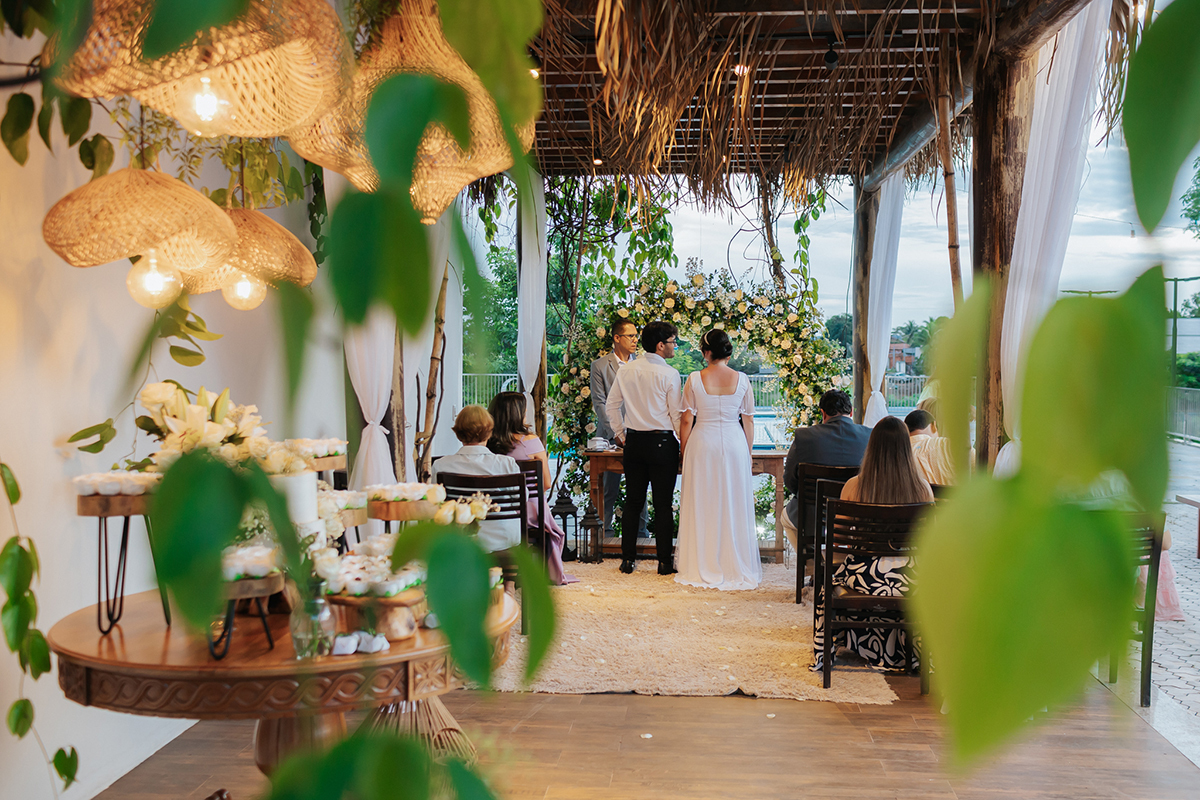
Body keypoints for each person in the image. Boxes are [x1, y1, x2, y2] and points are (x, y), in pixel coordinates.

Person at [812, 415, 934, 672]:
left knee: (829, 584)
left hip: (864, 577)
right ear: (906, 448)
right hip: (909, 578)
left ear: (872, 447)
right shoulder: (923, 489)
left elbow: (838, 543)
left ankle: (850, 644)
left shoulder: (853, 487)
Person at [675, 329, 762, 591]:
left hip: (703, 443)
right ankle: (733, 561)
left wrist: (684, 450)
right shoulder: (743, 379)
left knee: (703, 501)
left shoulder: (694, 378)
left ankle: (702, 560)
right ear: (728, 353)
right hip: (734, 443)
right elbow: (748, 420)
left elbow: (686, 419)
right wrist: (747, 452)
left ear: (706, 352)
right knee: (733, 500)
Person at [605, 320, 682, 575]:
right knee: (663, 504)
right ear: (660, 345)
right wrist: (684, 442)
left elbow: (611, 405)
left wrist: (620, 434)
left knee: (632, 502)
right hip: (662, 443)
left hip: (635, 442)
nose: (674, 346)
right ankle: (664, 562)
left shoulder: (627, 370)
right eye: (672, 342)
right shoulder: (670, 374)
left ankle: (627, 560)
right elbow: (675, 415)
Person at [486, 391, 576, 585]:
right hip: (527, 512)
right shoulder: (530, 441)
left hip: (494, 510)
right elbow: (546, 483)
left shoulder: (487, 444)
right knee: (538, 506)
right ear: (518, 414)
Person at [781, 389, 871, 548]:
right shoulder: (870, 436)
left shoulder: (804, 437)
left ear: (823, 413)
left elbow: (790, 480)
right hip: (857, 515)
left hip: (813, 515)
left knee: (785, 518)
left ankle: (811, 560)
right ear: (851, 412)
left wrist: (805, 497)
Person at [431, 405, 521, 554]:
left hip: (458, 539)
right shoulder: (506, 464)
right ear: (489, 433)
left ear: (458, 434)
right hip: (503, 539)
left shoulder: (441, 465)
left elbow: (436, 504)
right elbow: (520, 500)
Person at [589, 319, 649, 542]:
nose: (635, 340)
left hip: (638, 433)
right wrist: (616, 433)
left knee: (639, 488)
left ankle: (641, 535)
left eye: (636, 336)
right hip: (610, 437)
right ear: (617, 338)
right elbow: (600, 403)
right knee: (608, 489)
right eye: (630, 336)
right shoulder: (600, 366)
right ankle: (603, 536)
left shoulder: (642, 365)